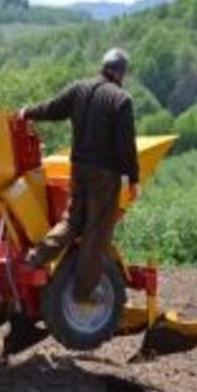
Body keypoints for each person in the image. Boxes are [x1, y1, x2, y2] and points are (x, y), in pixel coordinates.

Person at [18, 48, 140, 305]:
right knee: (96, 233)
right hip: (104, 175)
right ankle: (84, 292)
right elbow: (125, 145)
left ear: (103, 67)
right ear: (121, 73)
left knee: (72, 221)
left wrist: (26, 112)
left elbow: (51, 109)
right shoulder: (121, 100)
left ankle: (36, 257)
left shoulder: (79, 90)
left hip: (78, 170)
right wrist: (133, 178)